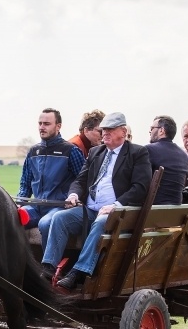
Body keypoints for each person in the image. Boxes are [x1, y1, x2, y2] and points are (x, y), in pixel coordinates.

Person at [42, 112, 152, 290]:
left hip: (119, 213)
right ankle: (48, 269)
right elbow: (80, 181)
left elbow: (140, 187)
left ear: (123, 132)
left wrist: (115, 206)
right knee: (59, 218)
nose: (104, 133)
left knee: (102, 221)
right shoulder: (95, 152)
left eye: (110, 129)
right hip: (90, 209)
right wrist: (74, 195)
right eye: (103, 130)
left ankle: (79, 272)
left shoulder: (137, 153)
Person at [18, 108, 86, 249]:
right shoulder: (33, 152)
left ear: (58, 126)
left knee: (45, 223)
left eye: (47, 124)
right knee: (14, 218)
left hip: (59, 208)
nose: (42, 127)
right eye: (40, 123)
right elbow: (25, 184)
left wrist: (75, 199)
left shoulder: (71, 151)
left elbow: (83, 180)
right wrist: (19, 203)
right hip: (36, 207)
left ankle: (48, 268)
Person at [147, 115, 188, 205]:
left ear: (161, 130)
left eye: (152, 128)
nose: (150, 131)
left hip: (152, 211)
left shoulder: (149, 150)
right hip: (175, 212)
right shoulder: (184, 155)